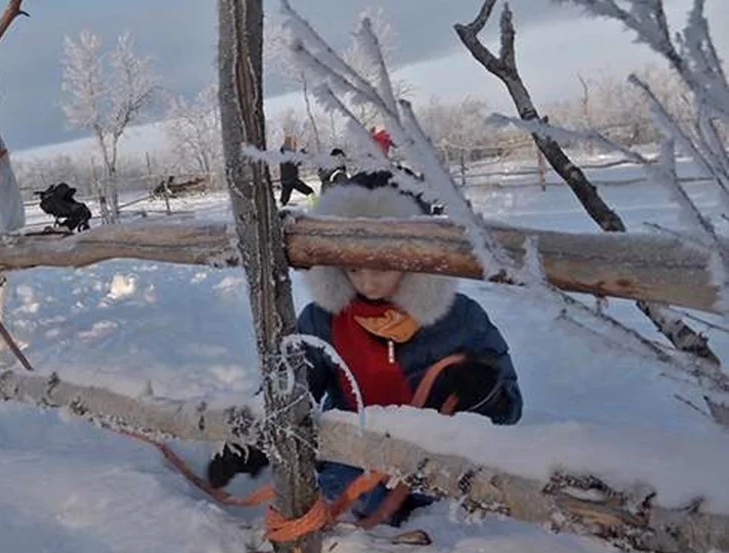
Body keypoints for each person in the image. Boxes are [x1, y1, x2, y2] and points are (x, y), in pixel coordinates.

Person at [206, 171, 523, 527]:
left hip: (443, 491)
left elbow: (509, 410)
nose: (367, 283)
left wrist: (484, 393)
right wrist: (254, 442)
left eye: (382, 267)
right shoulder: (323, 320)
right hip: (346, 479)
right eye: (353, 268)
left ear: (416, 259)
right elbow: (293, 389)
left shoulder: (461, 318)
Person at [278, 135, 316, 207]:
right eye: (294, 143)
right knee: (310, 192)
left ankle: (281, 211)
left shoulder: (283, 153)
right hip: (292, 180)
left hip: (285, 180)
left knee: (284, 200)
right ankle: (315, 207)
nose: (295, 145)